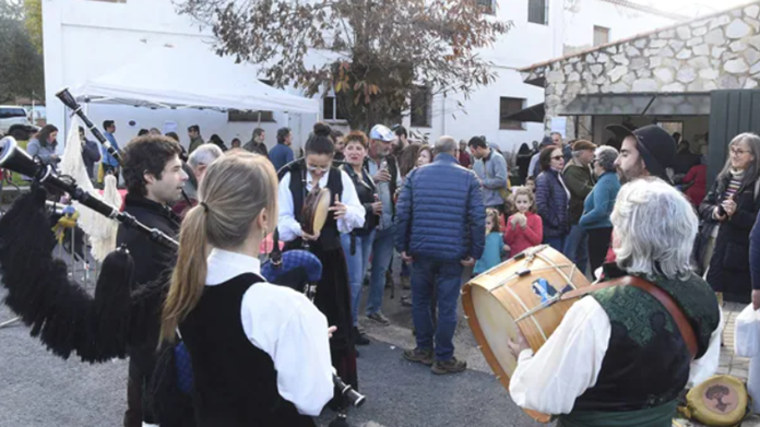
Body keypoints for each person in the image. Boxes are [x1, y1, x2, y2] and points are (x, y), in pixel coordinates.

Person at [509, 178, 721, 427]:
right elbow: (697, 375)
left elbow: (543, 397)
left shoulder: (597, 311)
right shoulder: (704, 294)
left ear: (625, 234)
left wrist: (525, 355)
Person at [159, 152, 334, 427]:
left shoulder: (186, 281)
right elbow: (312, 399)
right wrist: (310, 344)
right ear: (263, 218)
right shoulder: (283, 306)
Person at [277, 123, 365, 426]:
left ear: (332, 159)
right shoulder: (289, 175)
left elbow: (359, 213)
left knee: (333, 318)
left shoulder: (341, 177)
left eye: (322, 167)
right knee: (295, 323)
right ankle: (293, 390)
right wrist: (297, 228)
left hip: (329, 257)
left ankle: (336, 389)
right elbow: (280, 217)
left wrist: (346, 213)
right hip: (296, 259)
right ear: (305, 156)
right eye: (312, 166)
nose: (316, 172)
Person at [395, 136, 485, 375]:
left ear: (434, 152)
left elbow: (403, 212)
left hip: (421, 249)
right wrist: (475, 251)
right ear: (456, 152)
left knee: (421, 301)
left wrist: (401, 245)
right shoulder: (469, 178)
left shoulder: (416, 175)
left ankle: (423, 349)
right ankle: (444, 357)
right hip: (453, 253)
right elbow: (477, 218)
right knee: (446, 306)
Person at [117, 135, 188, 427]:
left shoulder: (151, 218)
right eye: (175, 169)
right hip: (159, 367)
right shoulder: (144, 232)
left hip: (156, 362)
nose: (184, 176)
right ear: (148, 177)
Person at [601, 124, 678, 267]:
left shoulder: (653, 205)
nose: (616, 161)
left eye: (625, 154)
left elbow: (638, 268)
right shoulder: (638, 198)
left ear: (644, 162)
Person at [699, 133, 760, 304]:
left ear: (754, 155)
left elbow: (757, 222)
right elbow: (704, 206)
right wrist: (716, 212)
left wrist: (736, 214)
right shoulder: (723, 177)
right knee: (712, 299)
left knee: (733, 305)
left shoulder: (757, 183)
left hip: (738, 256)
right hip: (712, 245)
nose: (734, 155)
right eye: (732, 150)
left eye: (740, 151)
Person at [339, 131, 380, 347]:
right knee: (352, 284)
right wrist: (369, 207)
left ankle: (353, 325)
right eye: (350, 148)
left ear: (365, 152)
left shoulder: (365, 173)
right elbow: (343, 207)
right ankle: (347, 329)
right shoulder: (341, 175)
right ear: (343, 151)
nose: (354, 152)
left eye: (358, 148)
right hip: (351, 235)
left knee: (358, 282)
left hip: (367, 232)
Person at [362, 124, 401, 326]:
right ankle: (351, 315)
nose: (388, 147)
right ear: (372, 142)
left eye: (389, 143)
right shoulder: (360, 159)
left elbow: (399, 184)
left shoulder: (391, 161)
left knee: (380, 270)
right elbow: (351, 185)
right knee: (358, 272)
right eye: (384, 144)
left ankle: (374, 310)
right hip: (366, 224)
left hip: (388, 225)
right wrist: (372, 178)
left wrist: (399, 192)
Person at [579, 146, 621, 274]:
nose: (594, 163)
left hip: (600, 231)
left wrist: (582, 220)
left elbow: (600, 210)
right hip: (607, 229)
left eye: (595, 160)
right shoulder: (612, 178)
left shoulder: (605, 181)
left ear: (602, 163)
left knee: (597, 268)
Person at [562, 140, 596, 274]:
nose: (593, 155)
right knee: (571, 252)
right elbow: (582, 190)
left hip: (584, 215)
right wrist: (600, 189)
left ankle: (581, 280)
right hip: (576, 216)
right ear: (580, 153)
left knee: (582, 254)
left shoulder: (586, 167)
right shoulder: (571, 170)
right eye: (590, 151)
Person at [173, 143, 224, 217]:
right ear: (201, 170)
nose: (218, 184)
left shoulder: (182, 190)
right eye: (216, 176)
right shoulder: (190, 202)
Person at [536, 146, 569, 252]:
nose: (561, 160)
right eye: (557, 157)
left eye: (562, 156)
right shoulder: (544, 178)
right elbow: (541, 205)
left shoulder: (559, 175)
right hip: (551, 230)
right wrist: (556, 222)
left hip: (561, 228)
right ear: (548, 161)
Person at [469, 136, 508, 212]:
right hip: (482, 203)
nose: (472, 154)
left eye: (473, 151)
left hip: (496, 203)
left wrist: (483, 182)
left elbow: (502, 180)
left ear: (479, 148)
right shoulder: (477, 163)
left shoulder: (497, 158)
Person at [503, 186, 543, 257]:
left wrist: (525, 227)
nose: (522, 205)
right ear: (515, 202)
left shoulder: (536, 219)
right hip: (515, 256)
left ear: (530, 203)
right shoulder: (511, 218)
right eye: (519, 202)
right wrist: (512, 227)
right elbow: (508, 241)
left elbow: (537, 240)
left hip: (530, 256)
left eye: (525, 202)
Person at [474, 208, 505, 275]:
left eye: (488, 223)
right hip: (481, 268)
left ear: (493, 224)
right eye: (483, 223)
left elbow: (501, 249)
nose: (485, 225)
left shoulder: (498, 236)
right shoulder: (479, 235)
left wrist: (504, 248)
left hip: (494, 267)